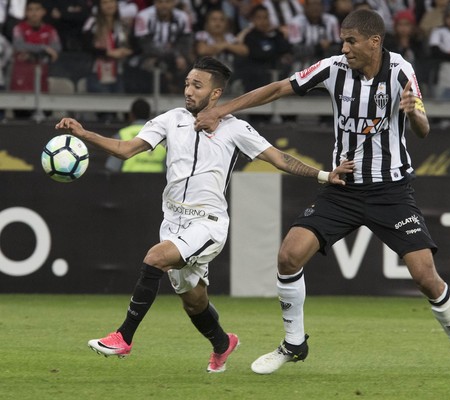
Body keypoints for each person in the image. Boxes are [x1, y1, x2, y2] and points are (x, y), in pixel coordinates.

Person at [194, 9, 450, 378]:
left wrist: (413, 113)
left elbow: (423, 128)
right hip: (342, 187)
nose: (344, 48)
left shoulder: (401, 71)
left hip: (391, 191)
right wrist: (222, 111)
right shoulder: (333, 68)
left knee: (425, 276)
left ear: (374, 42)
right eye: (343, 41)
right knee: (289, 256)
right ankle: (293, 343)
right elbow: (279, 88)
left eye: (351, 41)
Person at [54, 56, 353, 373]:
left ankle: (123, 337)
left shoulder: (235, 128)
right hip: (172, 223)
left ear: (216, 93)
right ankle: (223, 344)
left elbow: (279, 158)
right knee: (194, 301)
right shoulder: (170, 120)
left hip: (208, 224)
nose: (188, 90)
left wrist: (324, 175)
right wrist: (84, 134)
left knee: (155, 259)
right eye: (187, 84)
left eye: (197, 85)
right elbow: (125, 149)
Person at [104, 98, 167, 172]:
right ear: (149, 115)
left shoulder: (122, 135)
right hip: (158, 179)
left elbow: (112, 167)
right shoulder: (160, 135)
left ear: (131, 115)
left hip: (128, 179)